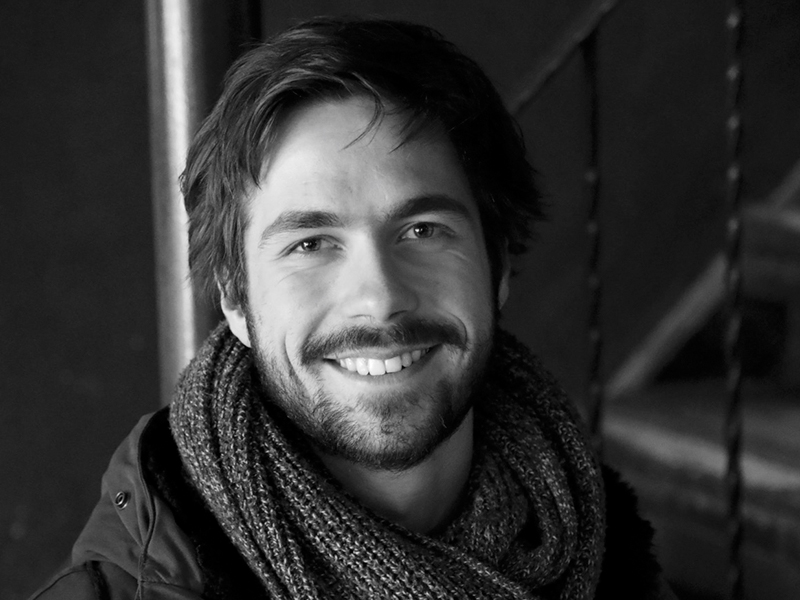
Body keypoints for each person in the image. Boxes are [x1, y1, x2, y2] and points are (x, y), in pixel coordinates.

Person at [31, 17, 674, 600]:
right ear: (234, 298)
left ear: (497, 265)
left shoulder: (603, 555)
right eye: (311, 244)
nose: (379, 298)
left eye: (421, 230)